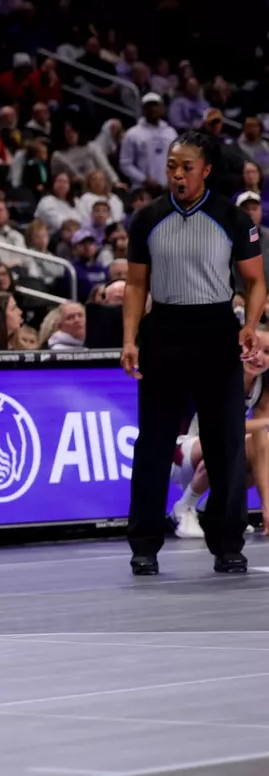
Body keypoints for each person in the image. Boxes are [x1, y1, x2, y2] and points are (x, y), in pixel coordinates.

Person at [123, 131, 264, 577]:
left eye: (186, 166)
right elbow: (135, 285)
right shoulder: (147, 218)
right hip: (163, 331)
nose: (177, 174)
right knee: (153, 443)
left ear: (205, 169)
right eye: (171, 166)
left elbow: (255, 280)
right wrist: (129, 339)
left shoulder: (232, 219)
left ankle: (227, 544)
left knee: (225, 444)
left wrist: (250, 324)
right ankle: (144, 544)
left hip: (216, 331)